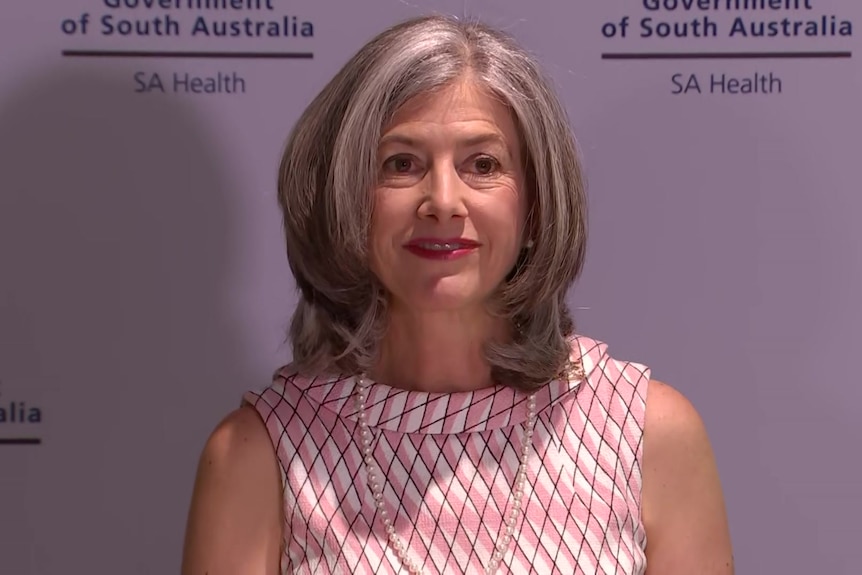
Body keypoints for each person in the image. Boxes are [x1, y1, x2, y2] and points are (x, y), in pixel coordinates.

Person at [181, 14, 733, 575]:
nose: (443, 200)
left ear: (537, 203)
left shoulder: (645, 435)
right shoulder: (261, 455)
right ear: (344, 198)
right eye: (401, 164)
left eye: (483, 165)